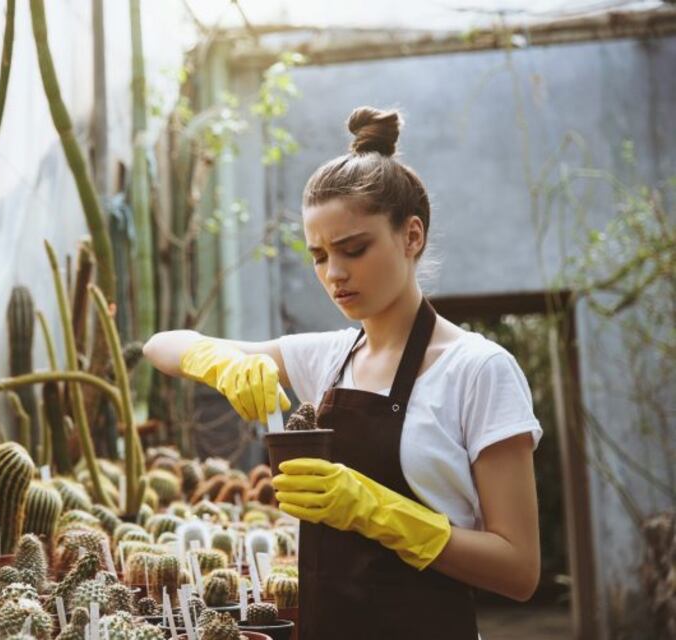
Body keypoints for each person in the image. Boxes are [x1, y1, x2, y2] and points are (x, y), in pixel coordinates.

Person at [142, 106, 543, 638]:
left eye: (354, 249)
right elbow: (160, 345)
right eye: (319, 255)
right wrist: (217, 362)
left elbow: (519, 570)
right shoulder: (327, 359)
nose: (334, 274)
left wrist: (379, 511)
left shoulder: (479, 370)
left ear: (412, 236)